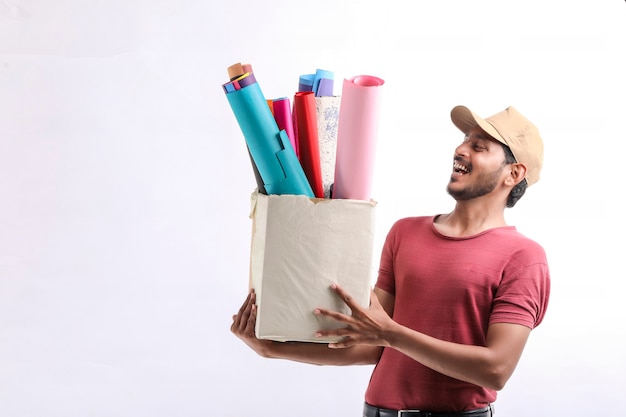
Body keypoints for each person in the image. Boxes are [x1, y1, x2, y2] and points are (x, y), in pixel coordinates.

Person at [231, 105, 551, 416]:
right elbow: (372, 343)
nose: (461, 149)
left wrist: (392, 334)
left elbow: (496, 369)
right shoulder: (405, 232)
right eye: (465, 140)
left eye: (478, 146)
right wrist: (271, 348)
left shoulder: (524, 257)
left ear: (514, 173)